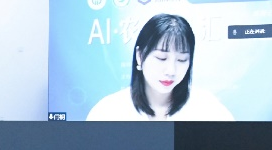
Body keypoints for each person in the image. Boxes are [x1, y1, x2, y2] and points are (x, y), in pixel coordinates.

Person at [86, 13, 234, 121]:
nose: (171, 71)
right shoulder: (108, 111)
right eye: (161, 58)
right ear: (140, 56)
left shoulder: (208, 108)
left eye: (182, 60)